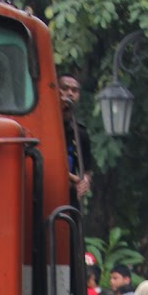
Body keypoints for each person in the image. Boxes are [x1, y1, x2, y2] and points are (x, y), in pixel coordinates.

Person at [58, 74, 90, 206]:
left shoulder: (80, 133)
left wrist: (85, 181)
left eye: (74, 90)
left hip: (68, 198)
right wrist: (72, 177)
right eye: (65, 88)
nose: (69, 93)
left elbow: (87, 169)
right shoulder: (44, 126)